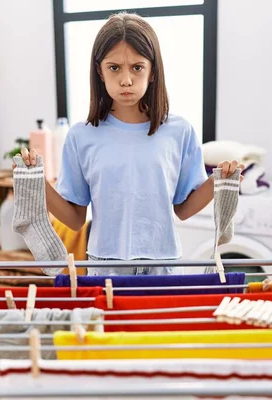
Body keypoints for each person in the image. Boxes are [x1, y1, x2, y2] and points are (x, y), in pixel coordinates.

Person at [16, 12, 244, 276]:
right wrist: (36, 182)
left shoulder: (179, 132)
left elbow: (183, 209)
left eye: (137, 67)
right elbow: (75, 219)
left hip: (163, 265)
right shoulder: (82, 136)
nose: (126, 79)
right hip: (104, 266)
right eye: (114, 68)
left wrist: (219, 182)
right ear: (100, 72)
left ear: (152, 72)